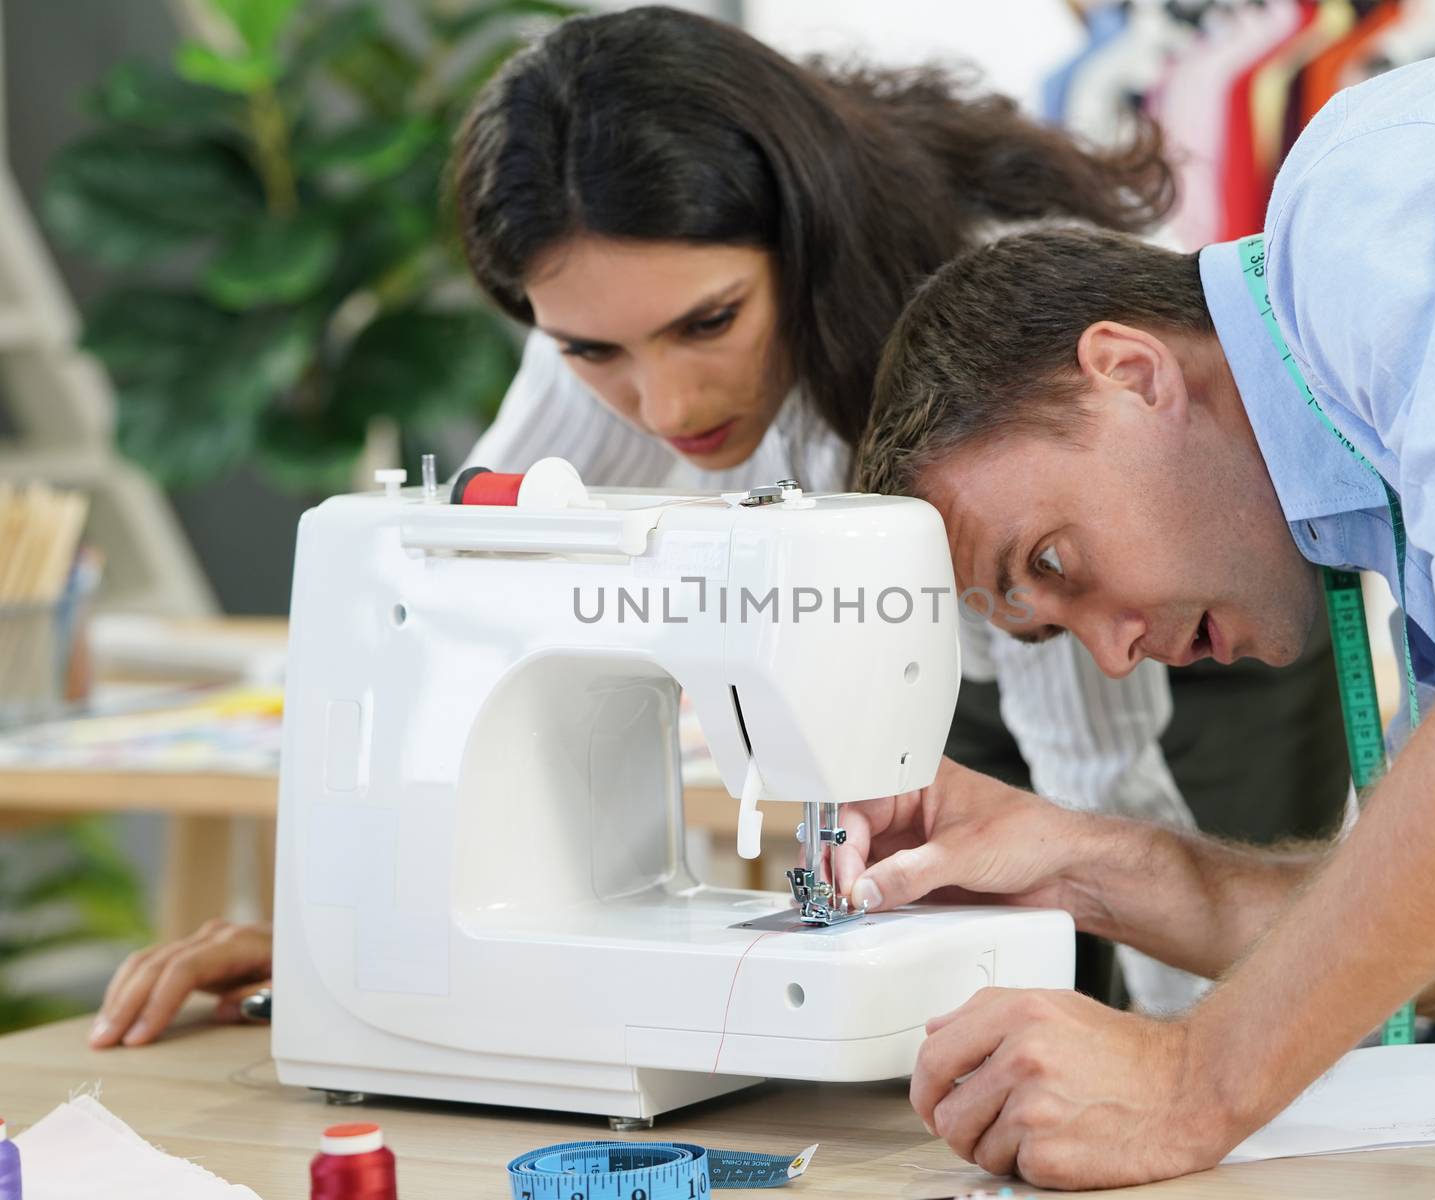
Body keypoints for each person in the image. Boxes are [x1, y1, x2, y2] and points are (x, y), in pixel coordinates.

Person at [92, 4, 1217, 1050]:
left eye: (710, 323)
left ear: (800, 238)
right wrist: (339, 947)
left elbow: (1099, 765)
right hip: (926, 685)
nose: (667, 410)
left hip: (1180, 637)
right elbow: (448, 617)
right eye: (592, 352)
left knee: (1191, 956)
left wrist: (1199, 1066)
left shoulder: (982, 319)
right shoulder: (603, 306)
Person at [847, 33, 1435, 1191]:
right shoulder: (1416, 529)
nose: (1111, 653)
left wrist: (1191, 1083)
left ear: (1133, 374)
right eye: (1049, 628)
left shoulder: (1360, 210)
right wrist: (1078, 863)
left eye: (1053, 559)